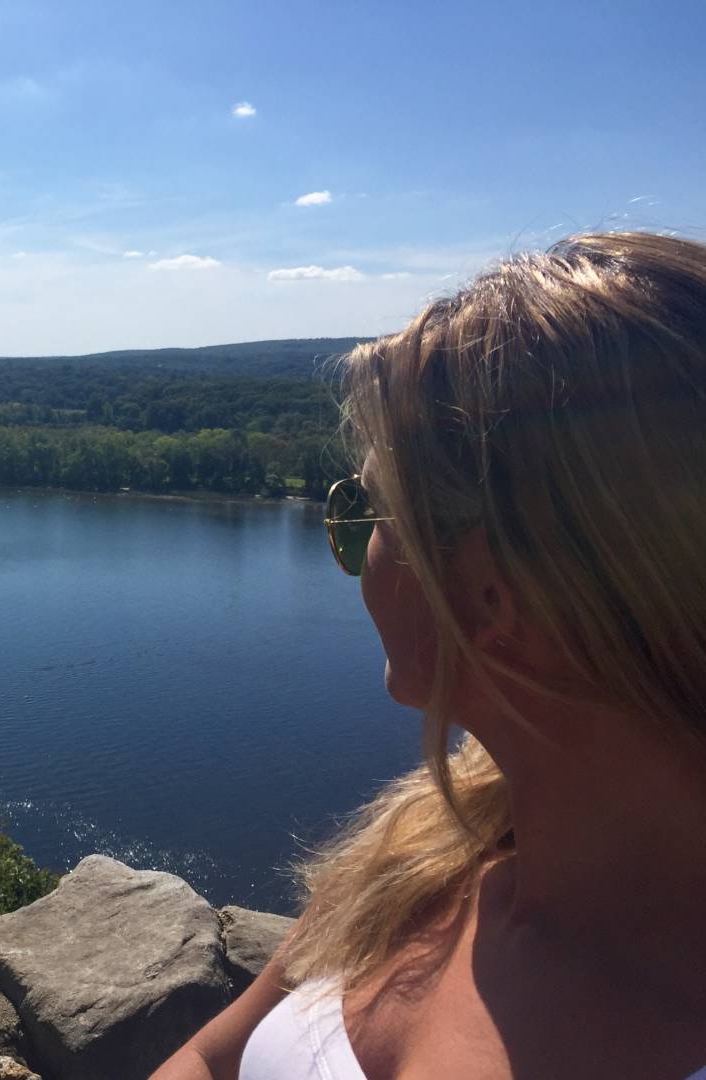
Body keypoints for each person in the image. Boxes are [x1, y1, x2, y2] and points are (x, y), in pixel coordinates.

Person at [153, 232, 706, 1080]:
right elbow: (209, 1058)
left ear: (488, 597)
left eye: (368, 516)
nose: (357, 556)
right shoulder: (424, 845)